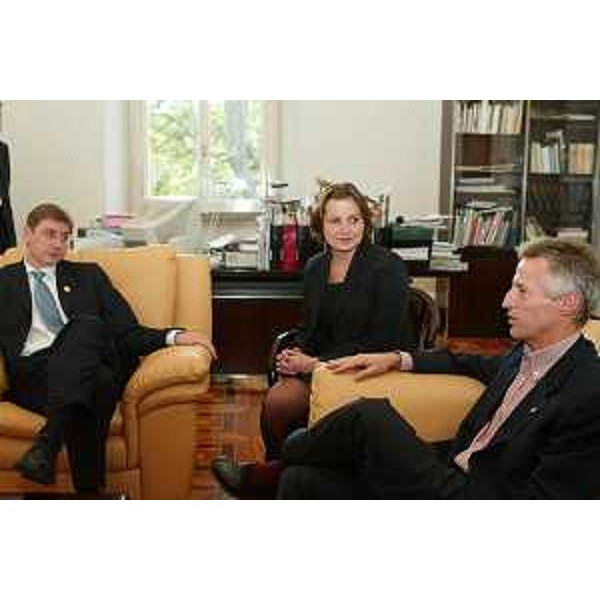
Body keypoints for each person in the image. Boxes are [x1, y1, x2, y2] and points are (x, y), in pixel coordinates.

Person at [277, 237, 600, 499]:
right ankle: (283, 464)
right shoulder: (526, 355)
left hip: (472, 500)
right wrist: (397, 358)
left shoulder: (587, 393)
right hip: (448, 468)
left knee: (371, 416)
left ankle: (280, 455)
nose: (506, 301)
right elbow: (465, 362)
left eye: (521, 290)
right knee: (301, 481)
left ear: (567, 303)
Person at [211, 181, 416, 497]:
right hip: (322, 366)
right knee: (279, 400)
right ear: (321, 226)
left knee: (294, 402)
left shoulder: (388, 267)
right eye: (336, 220)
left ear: (365, 223)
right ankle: (279, 475)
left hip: (371, 369)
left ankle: (266, 480)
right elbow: (310, 328)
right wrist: (294, 356)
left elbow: (383, 340)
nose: (345, 229)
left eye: (353, 220)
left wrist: (316, 363)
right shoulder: (315, 267)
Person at [0, 203, 216, 493]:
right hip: (35, 377)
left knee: (86, 325)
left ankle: (47, 445)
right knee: (98, 384)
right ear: (28, 234)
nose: (58, 244)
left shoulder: (89, 276)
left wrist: (174, 336)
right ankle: (90, 494)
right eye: (50, 234)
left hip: (88, 359)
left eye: (64, 237)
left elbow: (127, 332)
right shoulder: (4, 281)